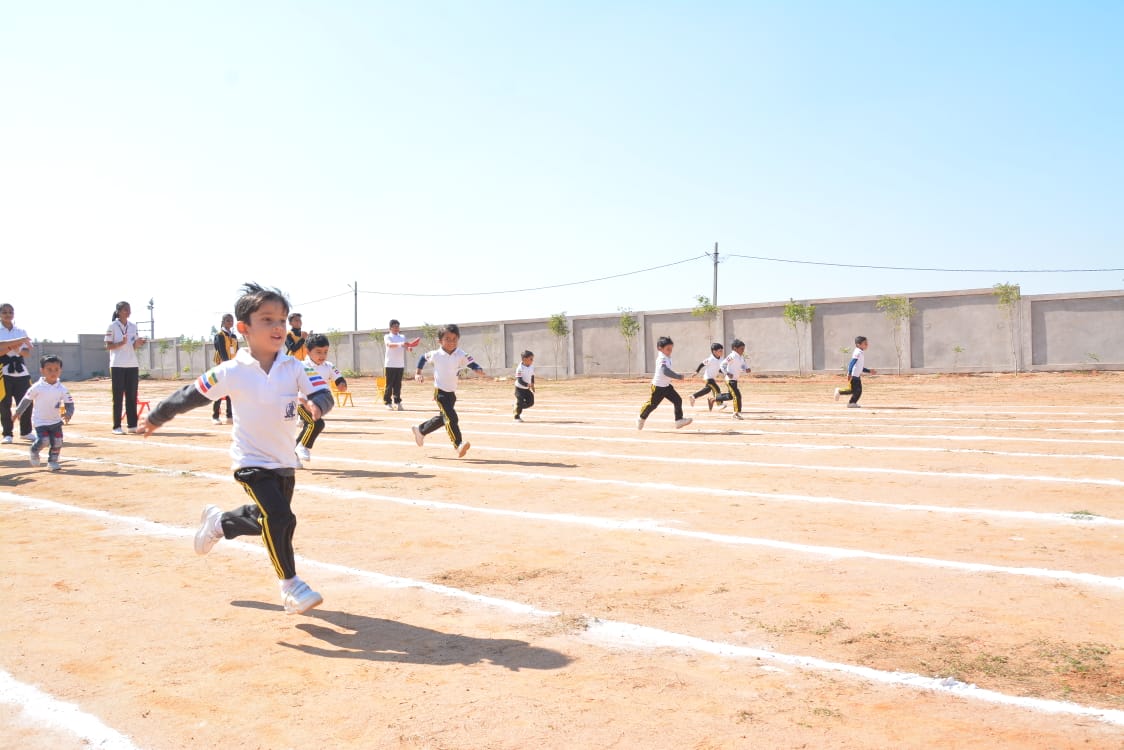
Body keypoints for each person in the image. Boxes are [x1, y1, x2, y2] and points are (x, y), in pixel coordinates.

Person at [139, 283, 334, 616]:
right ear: (244, 328)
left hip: (283, 461)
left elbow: (322, 394)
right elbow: (189, 395)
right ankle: (290, 586)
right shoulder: (231, 371)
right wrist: (157, 416)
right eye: (267, 319)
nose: (278, 327)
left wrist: (319, 405)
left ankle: (220, 522)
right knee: (281, 518)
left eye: (282, 320)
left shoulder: (296, 367)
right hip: (250, 462)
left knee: (265, 520)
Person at [411, 324, 486, 457]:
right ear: (440, 341)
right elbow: (423, 358)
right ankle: (458, 445)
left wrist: (477, 369)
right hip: (440, 392)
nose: (451, 342)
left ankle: (421, 430)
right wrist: (418, 373)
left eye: (454, 339)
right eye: (447, 339)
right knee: (452, 418)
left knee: (443, 418)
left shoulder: (460, 354)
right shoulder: (436, 354)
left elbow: (471, 363)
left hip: (451, 393)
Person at [14, 354, 74, 471]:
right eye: (49, 369)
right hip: (40, 421)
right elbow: (27, 400)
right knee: (44, 440)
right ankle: (34, 450)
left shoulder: (62, 389)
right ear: (42, 370)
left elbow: (69, 404)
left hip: (55, 421)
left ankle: (52, 462)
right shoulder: (37, 387)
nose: (53, 372)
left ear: (60, 370)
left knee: (57, 442)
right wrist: (18, 412)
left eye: (56, 369)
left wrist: (68, 413)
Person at [294, 333, 347, 463]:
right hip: (302, 403)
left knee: (311, 426)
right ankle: (302, 446)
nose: (322, 356)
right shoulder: (301, 366)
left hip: (319, 403)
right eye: (318, 352)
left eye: (325, 352)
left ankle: (293, 451)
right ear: (308, 351)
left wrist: (341, 384)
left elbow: (338, 378)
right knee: (316, 424)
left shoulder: (328, 366)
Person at [104, 301, 146, 435]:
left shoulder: (133, 326)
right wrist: (121, 343)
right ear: (119, 312)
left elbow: (132, 346)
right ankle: (116, 426)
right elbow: (108, 346)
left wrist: (138, 343)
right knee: (117, 397)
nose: (128, 312)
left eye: (129, 309)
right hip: (117, 365)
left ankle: (132, 425)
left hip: (132, 364)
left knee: (132, 396)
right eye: (125, 310)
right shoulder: (112, 326)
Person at [638, 336, 693, 431]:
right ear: (660, 348)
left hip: (666, 386)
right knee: (652, 405)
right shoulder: (662, 358)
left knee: (677, 400)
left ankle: (679, 420)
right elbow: (665, 371)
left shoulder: (667, 357)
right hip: (658, 387)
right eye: (668, 349)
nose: (670, 351)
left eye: (671, 349)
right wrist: (678, 376)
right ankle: (641, 418)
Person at [0, 303, 34, 444]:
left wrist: (12, 346)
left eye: (10, 312)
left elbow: (27, 352)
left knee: (27, 401)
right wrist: (17, 343)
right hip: (3, 371)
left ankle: (26, 431)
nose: (8, 314)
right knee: (4, 403)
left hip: (21, 371)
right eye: (4, 312)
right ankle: (7, 433)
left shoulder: (20, 330)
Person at [211, 313, 239, 425]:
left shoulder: (234, 336)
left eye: (232, 320)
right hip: (223, 366)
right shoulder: (219, 336)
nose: (230, 322)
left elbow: (237, 351)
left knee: (230, 392)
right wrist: (228, 364)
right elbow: (221, 351)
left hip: (233, 367)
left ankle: (229, 416)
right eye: (228, 320)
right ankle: (215, 416)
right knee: (219, 391)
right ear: (223, 322)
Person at [835, 335, 876, 408]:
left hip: (856, 375)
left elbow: (860, 367)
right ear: (858, 344)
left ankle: (843, 394)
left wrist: (869, 371)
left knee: (854, 390)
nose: (867, 344)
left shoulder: (860, 352)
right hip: (853, 376)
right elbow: (851, 363)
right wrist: (849, 373)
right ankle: (850, 402)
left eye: (867, 343)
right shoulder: (857, 352)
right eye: (865, 343)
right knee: (857, 391)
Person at [717, 338, 751, 420]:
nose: (743, 350)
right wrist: (727, 373)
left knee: (731, 396)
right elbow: (722, 365)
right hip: (729, 380)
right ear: (735, 349)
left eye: (743, 349)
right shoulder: (732, 356)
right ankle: (736, 413)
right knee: (736, 395)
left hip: (735, 380)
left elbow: (742, 365)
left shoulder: (740, 357)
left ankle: (715, 398)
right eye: (741, 349)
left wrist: (746, 369)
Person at [689, 343, 725, 411]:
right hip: (708, 378)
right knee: (717, 388)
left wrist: (725, 372)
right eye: (720, 351)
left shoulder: (721, 359)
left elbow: (719, 369)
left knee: (707, 390)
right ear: (714, 351)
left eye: (722, 350)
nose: (722, 352)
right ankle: (719, 404)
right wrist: (696, 372)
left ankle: (693, 396)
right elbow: (702, 364)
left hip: (712, 378)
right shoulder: (710, 359)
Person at [383, 319, 407, 410]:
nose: (397, 328)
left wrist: (409, 348)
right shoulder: (387, 336)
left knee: (398, 385)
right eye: (395, 326)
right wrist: (401, 344)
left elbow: (405, 347)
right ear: (390, 328)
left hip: (400, 364)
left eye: (398, 326)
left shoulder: (402, 337)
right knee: (389, 385)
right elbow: (389, 345)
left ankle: (397, 402)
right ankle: (387, 402)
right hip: (390, 364)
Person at [513, 350, 535, 422]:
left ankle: (517, 405)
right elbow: (519, 380)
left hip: (526, 389)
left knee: (531, 402)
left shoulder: (531, 366)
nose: (532, 360)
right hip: (519, 389)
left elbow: (532, 375)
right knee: (520, 402)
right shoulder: (520, 368)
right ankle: (516, 417)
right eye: (531, 359)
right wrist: (527, 384)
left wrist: (532, 384)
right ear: (525, 359)